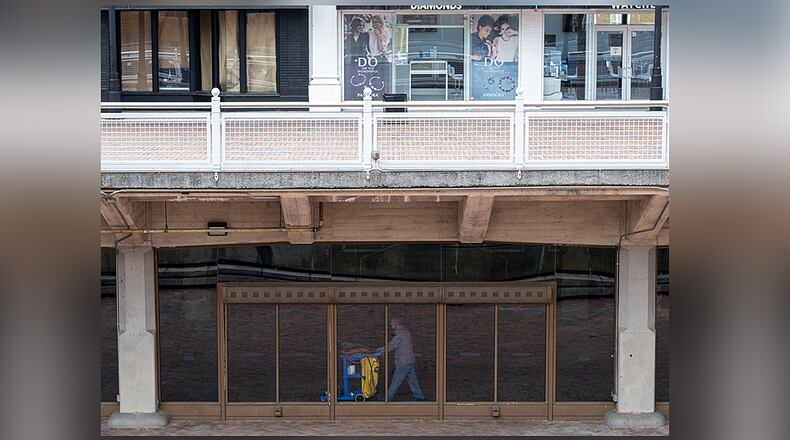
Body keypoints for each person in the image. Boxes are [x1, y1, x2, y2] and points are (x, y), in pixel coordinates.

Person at [379, 319, 425, 401]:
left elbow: (392, 345)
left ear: (396, 322)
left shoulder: (400, 333)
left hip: (403, 361)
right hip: (409, 360)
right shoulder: (406, 332)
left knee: (396, 380)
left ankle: (387, 397)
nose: (390, 324)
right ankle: (419, 396)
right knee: (413, 380)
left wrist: (382, 350)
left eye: (392, 322)